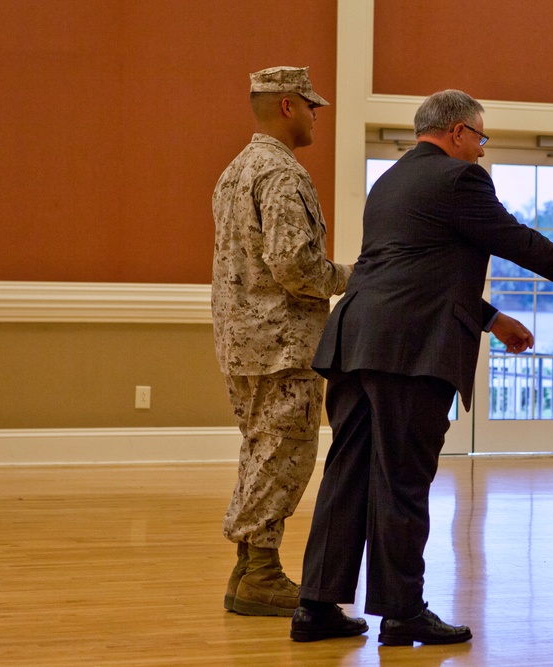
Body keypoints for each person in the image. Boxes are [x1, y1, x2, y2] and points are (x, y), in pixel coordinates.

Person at [289, 89, 553, 645]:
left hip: (355, 344)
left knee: (347, 475)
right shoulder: (459, 179)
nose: (482, 152)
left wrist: (492, 319)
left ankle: (317, 607)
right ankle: (402, 613)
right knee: (402, 480)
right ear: (458, 132)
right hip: (409, 353)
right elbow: (510, 236)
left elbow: (415, 270)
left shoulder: (390, 182)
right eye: (480, 139)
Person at [211, 66, 353, 618]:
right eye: (312, 106)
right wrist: (350, 277)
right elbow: (295, 266)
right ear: (288, 106)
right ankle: (261, 573)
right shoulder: (280, 173)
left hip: (243, 341)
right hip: (282, 344)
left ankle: (249, 569)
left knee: (258, 450)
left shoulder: (236, 170)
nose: (317, 115)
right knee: (283, 455)